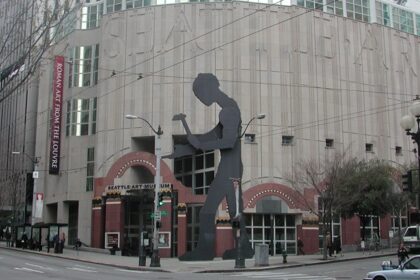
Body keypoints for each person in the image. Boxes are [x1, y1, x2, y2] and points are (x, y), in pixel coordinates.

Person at [169, 73, 253, 261]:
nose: (200, 98)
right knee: (234, 211)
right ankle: (244, 247)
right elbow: (211, 136)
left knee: (209, 210)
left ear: (210, 87)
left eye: (199, 93)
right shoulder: (228, 108)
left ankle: (206, 251)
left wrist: (201, 146)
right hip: (230, 167)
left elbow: (229, 141)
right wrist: (185, 148)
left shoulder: (228, 110)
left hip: (229, 169)